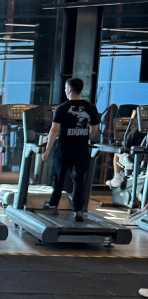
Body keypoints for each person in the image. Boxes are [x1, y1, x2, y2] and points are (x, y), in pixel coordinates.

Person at [41, 77, 100, 221]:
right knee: (79, 179)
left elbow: (54, 130)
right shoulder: (91, 107)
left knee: (58, 178)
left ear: (69, 89)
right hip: (81, 149)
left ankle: (53, 204)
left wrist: (47, 150)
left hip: (64, 149)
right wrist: (84, 137)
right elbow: (94, 129)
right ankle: (78, 210)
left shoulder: (62, 108)